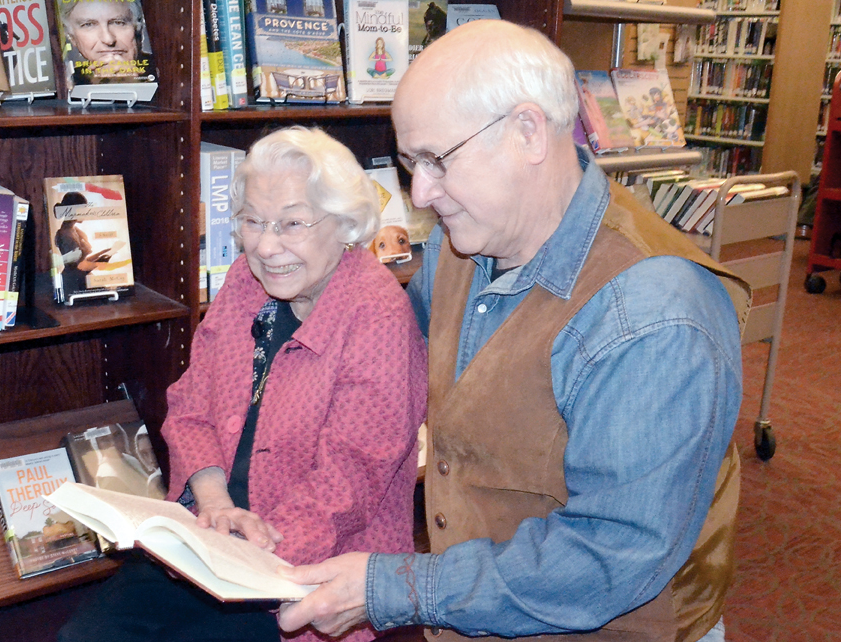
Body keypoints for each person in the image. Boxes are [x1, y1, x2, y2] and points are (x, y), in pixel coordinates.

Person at [277, 19, 752, 642]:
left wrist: (395, 588)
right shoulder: (463, 246)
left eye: (435, 160)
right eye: (410, 162)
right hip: (480, 614)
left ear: (529, 132)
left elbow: (606, 559)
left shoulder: (655, 312)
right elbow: (392, 360)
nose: (420, 192)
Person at [58, 126, 428, 642]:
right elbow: (189, 404)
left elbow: (350, 480)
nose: (267, 245)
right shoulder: (244, 281)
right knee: (85, 637)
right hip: (210, 532)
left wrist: (249, 551)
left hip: (307, 563)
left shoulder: (378, 316)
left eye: (292, 223)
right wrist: (213, 504)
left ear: (345, 224)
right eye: (253, 221)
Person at [59, 0, 144, 63]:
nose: (109, 40)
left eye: (118, 23)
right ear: (72, 37)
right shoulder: (66, 82)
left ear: (137, 28)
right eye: (88, 25)